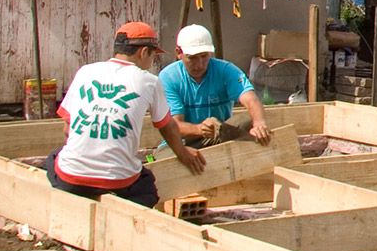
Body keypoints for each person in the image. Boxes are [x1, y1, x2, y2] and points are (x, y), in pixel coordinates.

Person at [50, 21, 205, 207]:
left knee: (55, 157)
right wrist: (182, 153)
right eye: (152, 56)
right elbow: (167, 126)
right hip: (117, 182)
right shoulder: (149, 81)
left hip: (71, 179)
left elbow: (67, 128)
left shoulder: (85, 72)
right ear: (143, 52)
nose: (151, 62)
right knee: (147, 188)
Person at [159, 24, 272, 145]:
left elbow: (251, 100)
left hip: (220, 137)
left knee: (245, 121)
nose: (199, 64)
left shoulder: (226, 70)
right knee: (169, 158)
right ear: (178, 53)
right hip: (183, 143)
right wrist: (200, 129)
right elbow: (174, 125)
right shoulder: (169, 77)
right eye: (192, 58)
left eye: (204, 56)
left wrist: (259, 124)